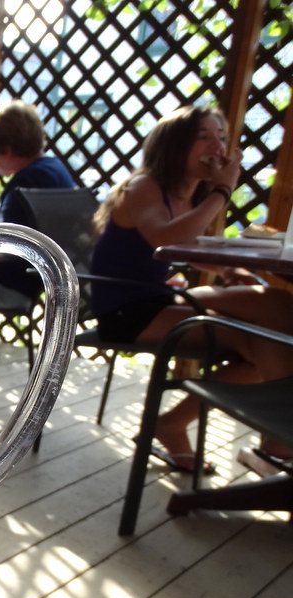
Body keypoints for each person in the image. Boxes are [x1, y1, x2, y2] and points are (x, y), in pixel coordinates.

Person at [91, 104, 293, 471]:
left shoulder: (185, 193)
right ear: (173, 145)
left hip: (158, 299)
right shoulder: (143, 187)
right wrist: (223, 190)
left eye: (220, 136)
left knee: (265, 333)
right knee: (276, 308)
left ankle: (173, 424)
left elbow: (189, 250)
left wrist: (228, 270)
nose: (217, 146)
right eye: (203, 137)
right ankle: (279, 440)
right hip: (126, 310)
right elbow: (165, 241)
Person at [0, 101, 75, 307]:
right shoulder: (53, 169)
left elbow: (6, 250)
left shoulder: (26, 184)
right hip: (35, 282)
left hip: (8, 286)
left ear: (6, 148)